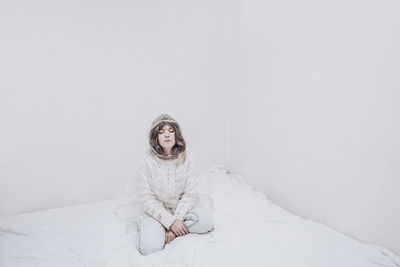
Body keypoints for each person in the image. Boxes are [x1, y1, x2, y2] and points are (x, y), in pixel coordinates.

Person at [136, 114, 215, 256]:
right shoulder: (146, 161)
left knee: (207, 222)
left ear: (176, 134)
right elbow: (146, 198)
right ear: (156, 137)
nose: (166, 135)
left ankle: (174, 231)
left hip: (182, 210)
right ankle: (164, 229)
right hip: (157, 213)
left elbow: (190, 194)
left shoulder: (189, 157)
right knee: (149, 248)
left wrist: (175, 224)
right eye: (161, 132)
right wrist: (169, 222)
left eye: (170, 130)